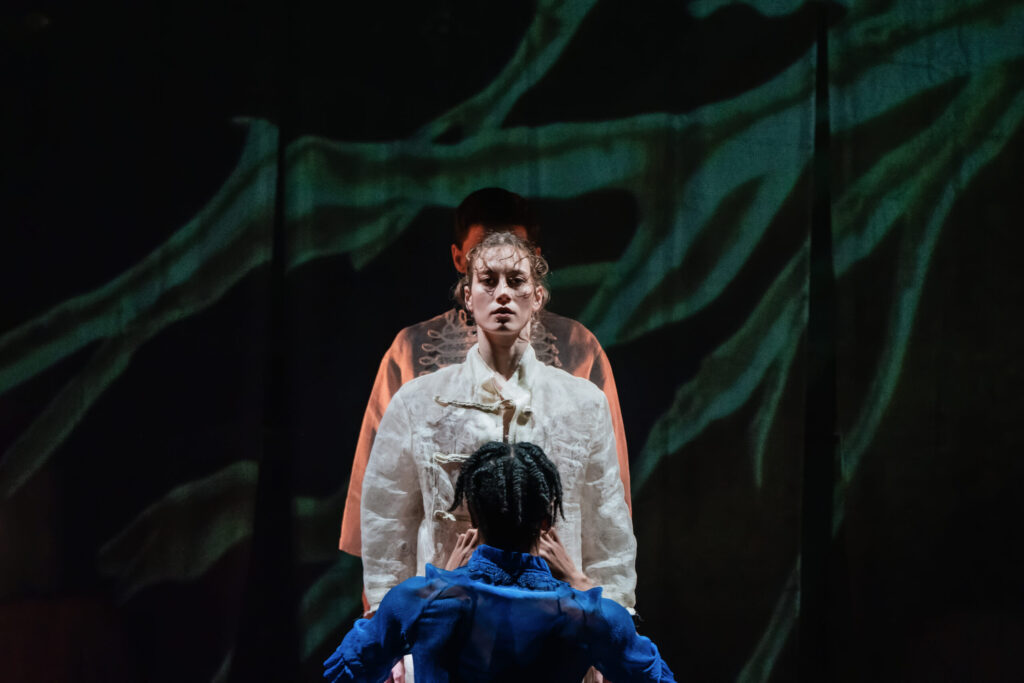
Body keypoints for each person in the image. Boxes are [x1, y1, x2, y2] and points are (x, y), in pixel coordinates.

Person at [339, 188, 632, 564]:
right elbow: (382, 495)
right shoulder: (410, 351)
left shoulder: (577, 347)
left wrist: (604, 588)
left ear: (534, 259)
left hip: (550, 576)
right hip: (446, 576)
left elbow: (606, 494)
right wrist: (380, 592)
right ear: (459, 259)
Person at [325, 442, 674, 683]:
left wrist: (442, 583)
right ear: (546, 521)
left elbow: (348, 672)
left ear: (474, 517)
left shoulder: (418, 601)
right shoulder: (590, 617)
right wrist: (582, 586)